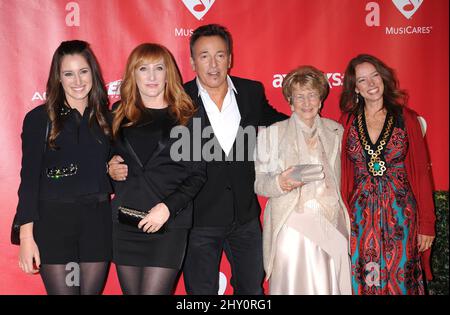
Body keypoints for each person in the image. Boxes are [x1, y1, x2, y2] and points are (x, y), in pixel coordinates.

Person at [109, 24, 287, 294]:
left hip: (245, 217)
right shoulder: (181, 100)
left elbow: (280, 124)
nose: (213, 64)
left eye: (220, 55)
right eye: (204, 56)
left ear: (230, 58)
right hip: (197, 220)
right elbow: (129, 144)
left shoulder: (251, 93)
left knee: (252, 292)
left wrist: (317, 127)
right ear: (192, 62)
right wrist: (109, 164)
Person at [15, 40, 113, 294]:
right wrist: (27, 237)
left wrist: (114, 167)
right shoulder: (39, 119)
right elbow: (29, 180)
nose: (77, 80)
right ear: (58, 78)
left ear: (93, 73)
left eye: (83, 71)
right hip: (54, 225)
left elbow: (118, 164)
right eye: (68, 73)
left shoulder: (107, 117)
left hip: (97, 223)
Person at [108, 43, 207, 295]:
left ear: (168, 73)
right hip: (126, 222)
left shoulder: (188, 115)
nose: (151, 76)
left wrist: (167, 209)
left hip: (168, 224)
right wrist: (108, 167)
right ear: (133, 74)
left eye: (158, 68)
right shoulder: (119, 113)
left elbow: (197, 175)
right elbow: (109, 159)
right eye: (143, 68)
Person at [339, 54, 436, 295]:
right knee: (364, 280)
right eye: (363, 80)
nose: (371, 84)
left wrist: (427, 224)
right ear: (356, 89)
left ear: (383, 78)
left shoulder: (407, 119)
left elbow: (422, 175)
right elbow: (341, 172)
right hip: (360, 219)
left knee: (401, 279)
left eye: (375, 76)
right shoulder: (348, 121)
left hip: (401, 217)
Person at [254, 65, 352, 295]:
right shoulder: (272, 133)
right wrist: (282, 181)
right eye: (299, 96)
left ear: (320, 100)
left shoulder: (336, 131)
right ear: (290, 101)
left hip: (331, 220)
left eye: (312, 95)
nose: (306, 102)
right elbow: (259, 182)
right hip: (291, 223)